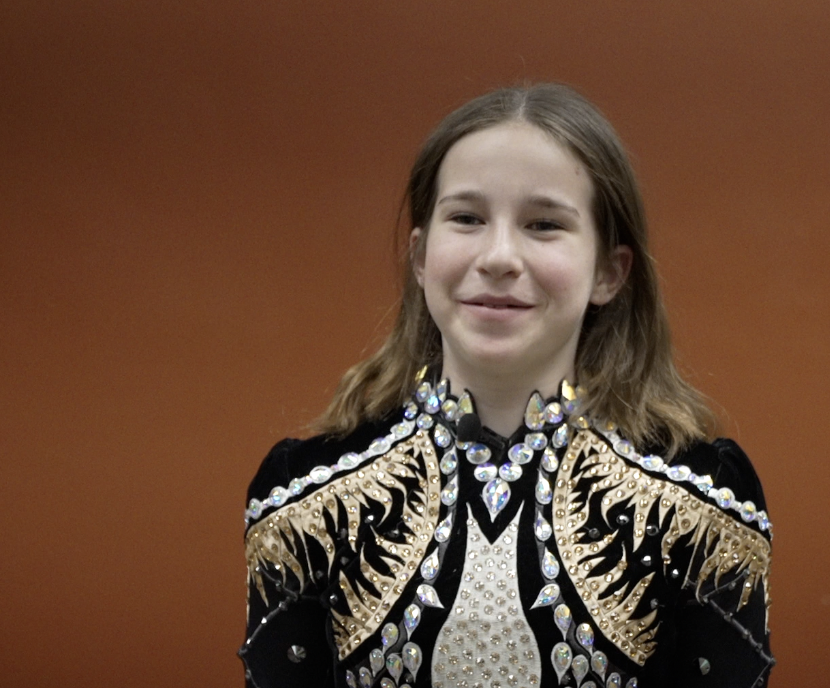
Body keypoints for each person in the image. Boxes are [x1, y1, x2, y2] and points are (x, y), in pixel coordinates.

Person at [239, 83, 774, 688]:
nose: (498, 256)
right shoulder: (306, 501)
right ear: (420, 258)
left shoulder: (698, 505)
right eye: (466, 218)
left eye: (543, 224)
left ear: (608, 271)